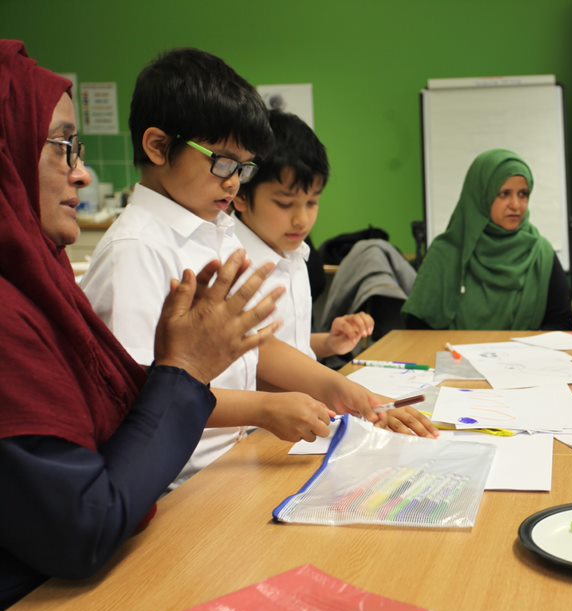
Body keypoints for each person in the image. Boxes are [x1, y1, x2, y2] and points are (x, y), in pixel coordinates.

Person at [0, 41, 283, 611]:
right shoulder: (21, 308)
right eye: (61, 148)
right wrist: (188, 371)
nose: (82, 174)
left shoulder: (39, 276)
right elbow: (84, 521)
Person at [81, 49, 432, 487]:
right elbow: (139, 393)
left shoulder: (214, 228)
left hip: (234, 459)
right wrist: (262, 409)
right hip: (179, 482)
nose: (232, 181)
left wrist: (343, 391)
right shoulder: (136, 249)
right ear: (157, 146)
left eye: (243, 168)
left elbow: (250, 346)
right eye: (222, 162)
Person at [233, 109, 435, 437]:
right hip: (263, 430)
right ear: (241, 195)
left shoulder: (294, 253)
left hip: (302, 419)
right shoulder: (234, 262)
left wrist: (329, 343)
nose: (301, 220)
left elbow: (286, 344)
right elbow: (255, 353)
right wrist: (339, 388)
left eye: (312, 203)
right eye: (285, 204)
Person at [402, 148, 572, 330]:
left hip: (523, 358)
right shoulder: (446, 253)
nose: (516, 205)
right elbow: (417, 328)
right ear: (480, 195)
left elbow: (562, 325)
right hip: (453, 356)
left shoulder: (541, 254)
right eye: (504, 194)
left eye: (523, 194)